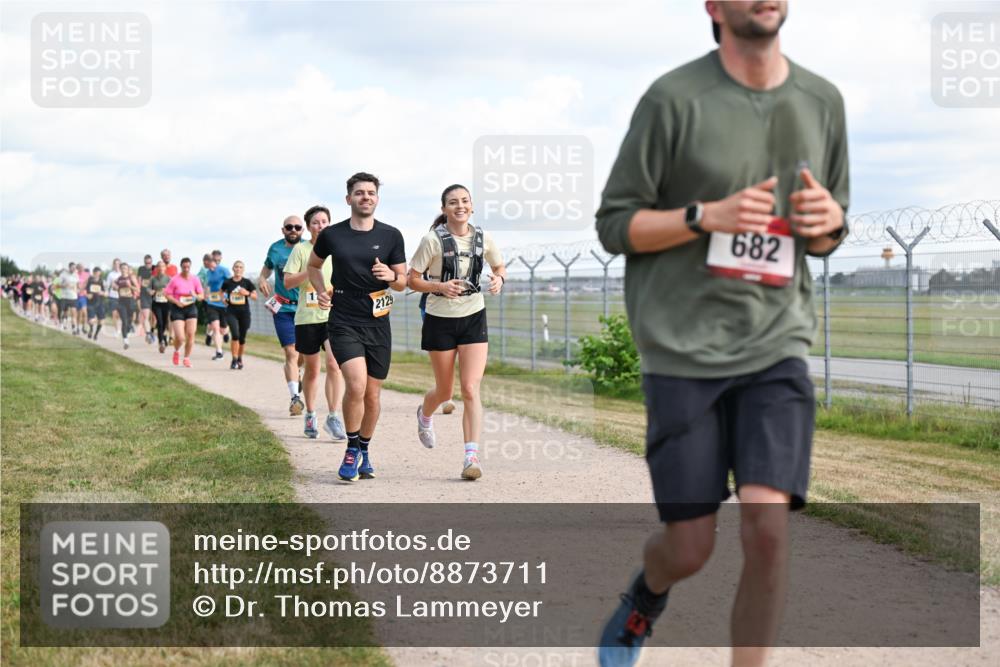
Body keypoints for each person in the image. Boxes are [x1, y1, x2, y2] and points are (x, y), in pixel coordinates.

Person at [593, 3, 850, 666]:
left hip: (776, 342)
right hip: (682, 350)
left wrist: (829, 223)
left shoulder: (823, 100)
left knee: (768, 527)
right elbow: (616, 224)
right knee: (690, 546)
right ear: (712, 5)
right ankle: (646, 596)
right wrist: (708, 215)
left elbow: (825, 231)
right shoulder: (674, 99)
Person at [308, 172, 406, 481]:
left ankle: (364, 449)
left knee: (373, 395)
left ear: (377, 198)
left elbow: (403, 281)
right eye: (360, 193)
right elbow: (313, 265)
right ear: (348, 198)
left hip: (377, 320)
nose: (366, 197)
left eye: (371, 193)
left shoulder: (392, 235)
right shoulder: (332, 235)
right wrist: (322, 289)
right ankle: (351, 448)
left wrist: (390, 276)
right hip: (344, 317)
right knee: (356, 385)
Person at [408, 184, 505, 480]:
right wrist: (439, 286)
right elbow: (411, 280)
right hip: (440, 319)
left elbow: (499, 266)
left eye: (464, 201)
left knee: (471, 389)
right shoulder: (432, 241)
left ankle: (470, 458)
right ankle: (424, 415)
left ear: (472, 206)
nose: (459, 206)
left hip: (474, 316)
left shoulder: (484, 238)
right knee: (445, 390)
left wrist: (499, 279)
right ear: (444, 208)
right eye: (453, 202)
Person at [284, 205, 347, 441]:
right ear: (309, 227)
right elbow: (288, 282)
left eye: (324, 222)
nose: (320, 226)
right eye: (315, 223)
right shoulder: (301, 250)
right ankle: (310, 414)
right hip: (307, 318)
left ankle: (333, 416)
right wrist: (312, 271)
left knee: (334, 364)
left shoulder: (338, 249)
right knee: (312, 369)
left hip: (334, 316)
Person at [259, 216, 307, 416]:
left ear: (302, 230)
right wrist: (262, 279)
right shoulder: (275, 249)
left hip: (307, 308)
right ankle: (295, 398)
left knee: (303, 355)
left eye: (297, 227)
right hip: (284, 309)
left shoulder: (309, 248)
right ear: (283, 230)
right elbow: (265, 271)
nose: (293, 230)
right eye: (289, 227)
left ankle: (297, 374)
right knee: (290, 352)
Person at [164, 257, 204, 367]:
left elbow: (201, 296)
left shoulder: (195, 279)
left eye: (188, 267)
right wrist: (176, 302)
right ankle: (176, 351)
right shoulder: (175, 279)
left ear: (190, 267)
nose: (186, 269)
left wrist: (195, 295)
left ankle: (186, 358)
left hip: (191, 308)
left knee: (191, 335)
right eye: (184, 267)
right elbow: (167, 294)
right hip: (178, 309)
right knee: (181, 337)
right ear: (181, 267)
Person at [221, 261, 257, 369]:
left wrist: (248, 293)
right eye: (236, 267)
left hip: (244, 313)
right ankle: (234, 359)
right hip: (231, 312)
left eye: (240, 267)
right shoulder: (228, 282)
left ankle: (240, 358)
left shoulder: (247, 282)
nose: (238, 269)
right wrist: (223, 299)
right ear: (233, 268)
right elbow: (221, 292)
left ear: (243, 269)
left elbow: (255, 296)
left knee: (242, 338)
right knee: (235, 335)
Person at [199, 253, 232, 361]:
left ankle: (226, 333)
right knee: (215, 328)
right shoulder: (208, 273)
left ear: (209, 261)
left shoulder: (223, 270)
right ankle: (219, 352)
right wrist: (206, 294)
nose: (204, 265)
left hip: (223, 303)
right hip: (212, 304)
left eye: (204, 262)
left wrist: (227, 296)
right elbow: (208, 285)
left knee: (223, 329)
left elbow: (231, 283)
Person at [115, 263, 140, 349]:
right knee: (124, 321)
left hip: (130, 301)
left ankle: (128, 330)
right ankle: (125, 340)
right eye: (122, 268)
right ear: (120, 269)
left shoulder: (131, 278)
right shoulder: (118, 279)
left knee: (129, 320)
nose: (123, 270)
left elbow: (138, 289)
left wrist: (130, 286)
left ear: (127, 269)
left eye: (125, 268)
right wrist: (114, 287)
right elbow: (114, 286)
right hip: (121, 302)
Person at [150, 260, 172, 353]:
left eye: (162, 266)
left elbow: (173, 290)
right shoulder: (153, 279)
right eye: (159, 266)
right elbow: (148, 289)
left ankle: (163, 336)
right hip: (156, 303)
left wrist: (166, 290)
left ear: (165, 268)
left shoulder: (169, 279)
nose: (161, 268)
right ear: (156, 268)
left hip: (166, 303)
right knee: (159, 322)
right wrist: (151, 291)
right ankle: (161, 342)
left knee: (165, 322)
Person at [137, 254, 155, 344]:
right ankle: (148, 334)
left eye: (149, 263)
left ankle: (151, 331)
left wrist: (153, 290)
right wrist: (138, 292)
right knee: (146, 316)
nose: (148, 264)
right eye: (146, 263)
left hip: (154, 296)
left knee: (155, 318)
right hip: (144, 295)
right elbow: (139, 282)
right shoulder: (141, 269)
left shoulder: (155, 268)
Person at [85, 267, 107, 339]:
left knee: (101, 321)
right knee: (91, 320)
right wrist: (87, 295)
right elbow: (84, 290)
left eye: (98, 274)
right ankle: (91, 329)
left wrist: (102, 293)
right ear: (93, 273)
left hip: (100, 302)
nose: (97, 275)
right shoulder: (89, 281)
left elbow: (106, 293)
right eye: (96, 274)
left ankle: (96, 334)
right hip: (91, 303)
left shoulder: (102, 282)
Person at [105, 258, 121, 338]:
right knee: (114, 314)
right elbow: (107, 285)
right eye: (115, 264)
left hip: (122, 297)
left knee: (120, 314)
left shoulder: (123, 273)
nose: (117, 265)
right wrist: (106, 292)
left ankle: (122, 327)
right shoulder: (111, 274)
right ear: (113, 265)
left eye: (118, 264)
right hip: (113, 296)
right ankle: (117, 330)